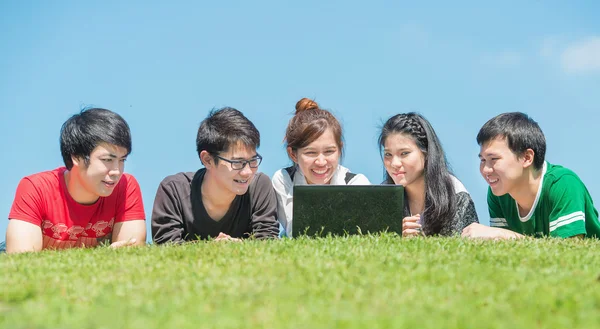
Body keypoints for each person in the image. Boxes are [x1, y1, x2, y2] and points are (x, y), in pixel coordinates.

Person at [4, 108, 146, 253]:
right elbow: (22, 257)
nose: (117, 171)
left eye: (122, 160)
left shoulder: (126, 186)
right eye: (107, 160)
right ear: (76, 157)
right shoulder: (36, 188)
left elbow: (130, 252)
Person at [462, 112, 600, 239]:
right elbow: (504, 251)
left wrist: (501, 234)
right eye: (483, 160)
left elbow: (569, 253)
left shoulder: (563, 184)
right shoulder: (498, 193)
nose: (486, 170)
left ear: (527, 158)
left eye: (494, 159)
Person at [151, 107, 279, 243]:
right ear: (207, 160)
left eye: (253, 160)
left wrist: (239, 245)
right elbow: (166, 245)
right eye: (237, 162)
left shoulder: (259, 186)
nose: (247, 172)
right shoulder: (174, 190)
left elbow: (268, 241)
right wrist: (211, 247)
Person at [272, 98, 370, 237]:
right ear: (293, 154)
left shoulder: (357, 183)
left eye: (329, 151)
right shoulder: (284, 179)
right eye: (311, 153)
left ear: (339, 149)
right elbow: (297, 232)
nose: (321, 162)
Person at [378, 112, 478, 237]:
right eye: (388, 154)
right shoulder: (382, 198)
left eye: (404, 153)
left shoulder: (454, 194)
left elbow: (462, 249)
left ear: (426, 153)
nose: (394, 163)